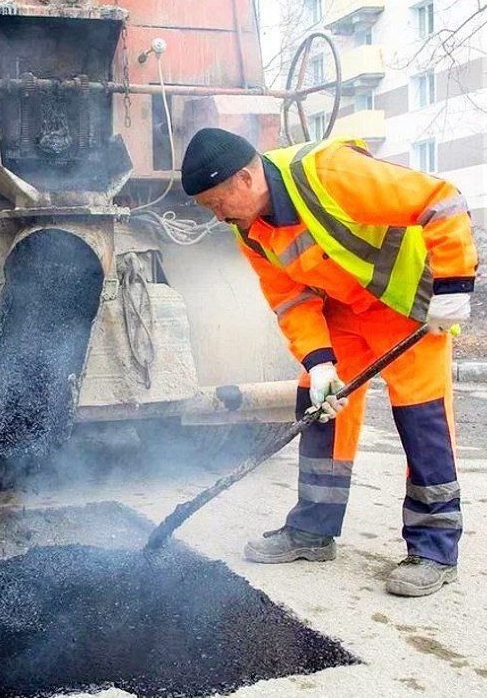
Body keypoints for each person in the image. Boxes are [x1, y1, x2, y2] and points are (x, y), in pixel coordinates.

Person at [180, 128, 477, 597]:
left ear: (244, 178)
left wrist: (454, 287)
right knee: (320, 406)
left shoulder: (331, 174)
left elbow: (442, 201)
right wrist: (318, 362)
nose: (217, 216)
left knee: (423, 418)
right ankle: (313, 530)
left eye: (217, 202)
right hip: (342, 311)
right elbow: (289, 299)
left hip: (403, 308)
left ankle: (434, 550)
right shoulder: (250, 231)